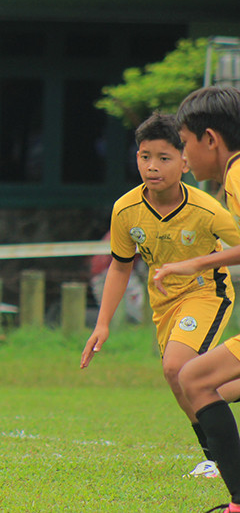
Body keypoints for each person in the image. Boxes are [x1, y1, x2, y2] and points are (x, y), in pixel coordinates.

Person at [80, 112, 240, 481]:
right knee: (183, 379)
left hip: (206, 292)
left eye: (163, 158)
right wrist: (102, 324)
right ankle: (215, 456)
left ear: (185, 162)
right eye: (144, 156)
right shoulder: (126, 209)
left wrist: (198, 263)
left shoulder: (208, 209)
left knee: (177, 367)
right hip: (164, 303)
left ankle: (219, 461)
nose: (152, 167)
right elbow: (120, 267)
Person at [150, 85, 240, 512]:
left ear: (211, 139)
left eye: (184, 145)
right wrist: (196, 263)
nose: (183, 159)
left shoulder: (238, 175)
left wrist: (192, 264)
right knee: (216, 383)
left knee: (195, 379)